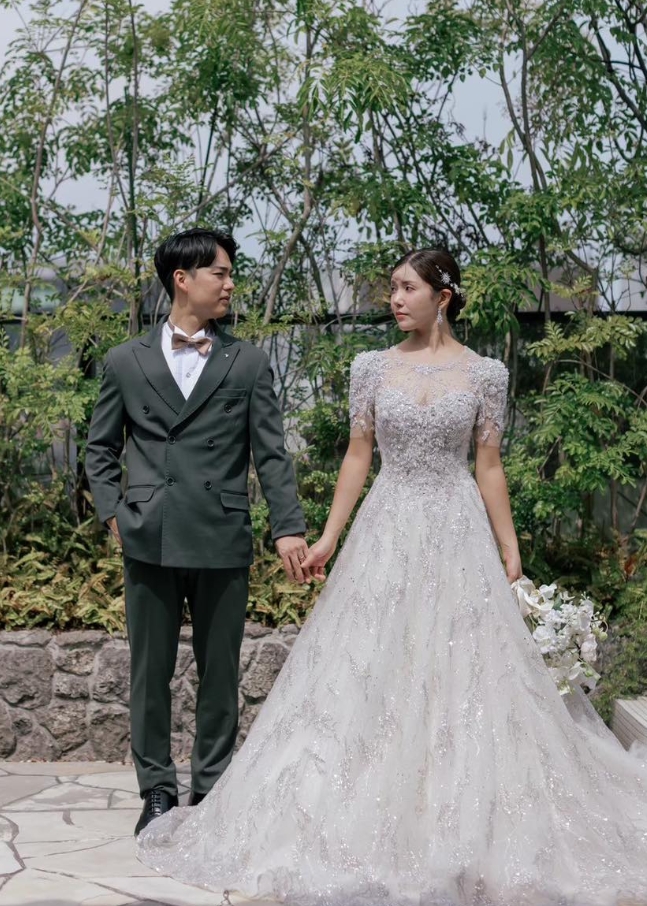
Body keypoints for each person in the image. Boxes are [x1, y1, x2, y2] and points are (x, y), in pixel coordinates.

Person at [137, 248, 647, 905]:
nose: (395, 299)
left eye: (407, 288)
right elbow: (358, 456)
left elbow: (488, 465)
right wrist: (328, 537)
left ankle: (456, 811)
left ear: (444, 295)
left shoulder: (485, 373)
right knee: (368, 666)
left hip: (457, 531)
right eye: (392, 289)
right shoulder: (371, 367)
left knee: (465, 671)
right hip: (387, 528)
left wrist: (509, 547)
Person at [85, 228, 308, 836]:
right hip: (149, 534)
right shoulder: (125, 360)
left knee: (220, 673)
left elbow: (271, 454)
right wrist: (114, 513)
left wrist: (287, 528)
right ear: (182, 280)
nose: (230, 284)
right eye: (220, 273)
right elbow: (99, 449)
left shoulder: (249, 361)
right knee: (149, 673)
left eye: (231, 273)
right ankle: (157, 789)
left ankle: (211, 789)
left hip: (221, 532)